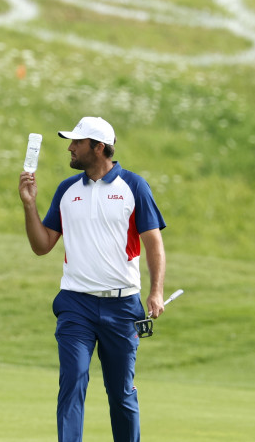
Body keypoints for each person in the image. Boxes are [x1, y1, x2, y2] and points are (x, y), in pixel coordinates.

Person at [18, 116, 167, 442]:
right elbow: (42, 246)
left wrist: (156, 292)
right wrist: (29, 206)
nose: (70, 148)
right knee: (72, 381)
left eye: (77, 143)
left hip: (123, 305)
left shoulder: (134, 187)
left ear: (98, 148)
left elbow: (154, 243)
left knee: (121, 394)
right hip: (76, 304)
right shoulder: (66, 190)